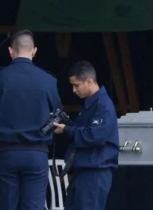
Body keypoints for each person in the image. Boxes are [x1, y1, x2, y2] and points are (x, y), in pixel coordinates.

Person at [0, 30, 63, 210]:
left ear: (10, 51)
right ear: (34, 51)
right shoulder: (48, 80)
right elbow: (58, 114)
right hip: (36, 153)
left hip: (6, 152)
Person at [52, 60, 118, 210]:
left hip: (95, 172)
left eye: (76, 85)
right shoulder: (90, 104)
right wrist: (64, 124)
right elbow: (83, 130)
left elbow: (95, 136)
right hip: (83, 172)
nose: (74, 90)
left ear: (89, 81)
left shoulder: (103, 105)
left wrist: (67, 129)